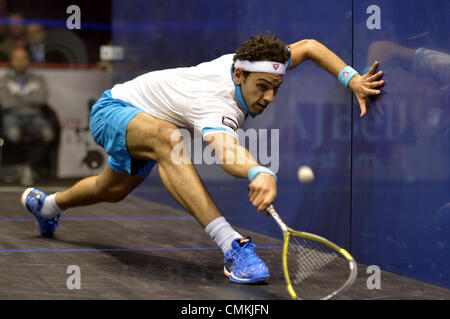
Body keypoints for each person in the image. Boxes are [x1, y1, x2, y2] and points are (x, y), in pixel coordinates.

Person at [21, 34, 383, 284]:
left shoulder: (261, 65)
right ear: (239, 75)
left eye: (276, 88)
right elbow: (226, 153)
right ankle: (233, 247)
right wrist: (258, 170)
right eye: (262, 88)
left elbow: (308, 47)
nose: (270, 97)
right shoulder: (214, 101)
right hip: (113, 109)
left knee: (111, 189)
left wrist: (350, 78)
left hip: (146, 119)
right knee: (169, 138)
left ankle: (47, 205)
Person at [0, 47, 55, 185]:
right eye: (17, 59)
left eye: (23, 59)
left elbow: (41, 99)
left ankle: (29, 167)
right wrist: (29, 98)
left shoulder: (38, 79)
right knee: (13, 135)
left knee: (48, 134)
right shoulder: (4, 80)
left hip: (34, 116)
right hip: (11, 115)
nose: (20, 62)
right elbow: (5, 102)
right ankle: (18, 168)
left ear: (28, 61)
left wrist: (18, 97)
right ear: (11, 61)